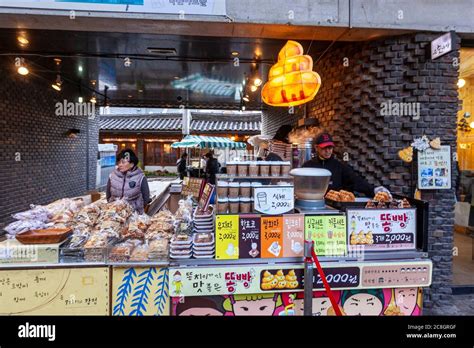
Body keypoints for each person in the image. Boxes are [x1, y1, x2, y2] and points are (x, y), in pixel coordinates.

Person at [302, 133, 390, 197]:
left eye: (330, 147)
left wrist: (373, 189)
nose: (328, 151)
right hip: (312, 206)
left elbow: (355, 180)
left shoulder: (339, 166)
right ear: (316, 148)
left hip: (335, 207)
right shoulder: (308, 166)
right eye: (324, 148)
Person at [106, 149, 151, 214]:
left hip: (134, 215)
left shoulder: (140, 177)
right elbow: (108, 195)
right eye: (118, 162)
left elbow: (146, 198)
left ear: (132, 164)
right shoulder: (112, 176)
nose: (120, 165)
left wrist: (137, 209)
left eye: (123, 162)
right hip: (115, 214)